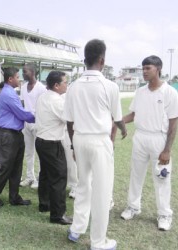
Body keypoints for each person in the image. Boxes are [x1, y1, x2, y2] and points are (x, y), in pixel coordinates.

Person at [64, 39, 127, 250]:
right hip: (99, 140)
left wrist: (73, 146)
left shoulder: (72, 86)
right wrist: (124, 129)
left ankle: (76, 228)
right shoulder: (109, 85)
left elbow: (69, 121)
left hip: (79, 139)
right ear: (102, 60)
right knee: (102, 191)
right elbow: (116, 117)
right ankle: (99, 242)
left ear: (85, 60)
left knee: (83, 185)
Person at [120, 55, 178, 231]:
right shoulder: (140, 91)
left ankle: (164, 214)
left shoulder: (170, 92)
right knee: (136, 174)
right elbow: (133, 115)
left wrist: (167, 150)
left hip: (159, 139)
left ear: (158, 69)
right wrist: (117, 122)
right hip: (140, 137)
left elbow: (173, 123)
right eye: (143, 68)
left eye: (148, 68)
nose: (144, 72)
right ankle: (133, 207)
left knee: (162, 177)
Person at [0, 67, 35, 207]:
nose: (19, 79)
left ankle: (14, 197)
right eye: (17, 77)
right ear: (10, 79)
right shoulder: (8, 93)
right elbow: (21, 113)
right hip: (8, 135)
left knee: (16, 167)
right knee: (6, 167)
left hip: (15, 134)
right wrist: (39, 117)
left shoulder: (10, 92)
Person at [35, 70, 72, 225]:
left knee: (45, 174)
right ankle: (58, 215)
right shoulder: (57, 101)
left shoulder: (44, 96)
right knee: (59, 177)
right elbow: (69, 118)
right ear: (56, 85)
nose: (67, 85)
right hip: (51, 143)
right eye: (65, 82)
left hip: (41, 141)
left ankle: (45, 204)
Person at [20, 63, 46, 189]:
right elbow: (22, 104)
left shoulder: (41, 88)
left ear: (33, 72)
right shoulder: (23, 87)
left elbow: (44, 106)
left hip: (38, 123)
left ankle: (40, 179)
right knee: (28, 152)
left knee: (40, 152)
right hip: (26, 123)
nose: (23, 74)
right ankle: (30, 177)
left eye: (25, 71)